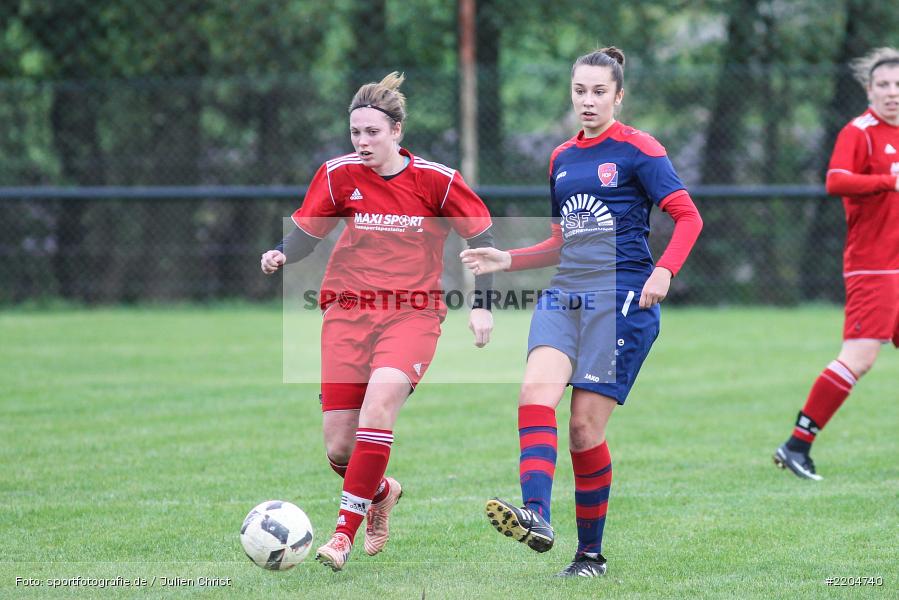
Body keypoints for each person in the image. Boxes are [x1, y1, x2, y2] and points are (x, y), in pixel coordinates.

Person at [460, 47, 702, 578]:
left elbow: (688, 217)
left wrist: (664, 271)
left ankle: (590, 555)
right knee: (533, 394)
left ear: (619, 95)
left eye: (598, 92)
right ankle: (538, 515)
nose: (587, 101)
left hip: (621, 301)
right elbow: (559, 241)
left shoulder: (640, 149)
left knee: (583, 432)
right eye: (579, 91)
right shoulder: (561, 157)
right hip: (565, 294)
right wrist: (507, 259)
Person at [261, 72, 496, 571]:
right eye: (356, 133)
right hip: (346, 312)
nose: (363, 142)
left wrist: (482, 305)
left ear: (396, 132)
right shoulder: (337, 175)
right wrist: (281, 253)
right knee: (340, 448)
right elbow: (308, 233)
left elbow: (481, 242)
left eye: (372, 132)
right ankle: (381, 492)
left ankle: (341, 536)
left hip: (413, 313)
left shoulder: (438, 181)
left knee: (379, 407)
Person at [773, 48, 899, 481]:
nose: (892, 92)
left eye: (898, 85)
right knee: (860, 357)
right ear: (869, 90)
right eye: (883, 84)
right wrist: (888, 180)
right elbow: (835, 180)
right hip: (874, 266)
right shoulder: (859, 132)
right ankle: (796, 444)